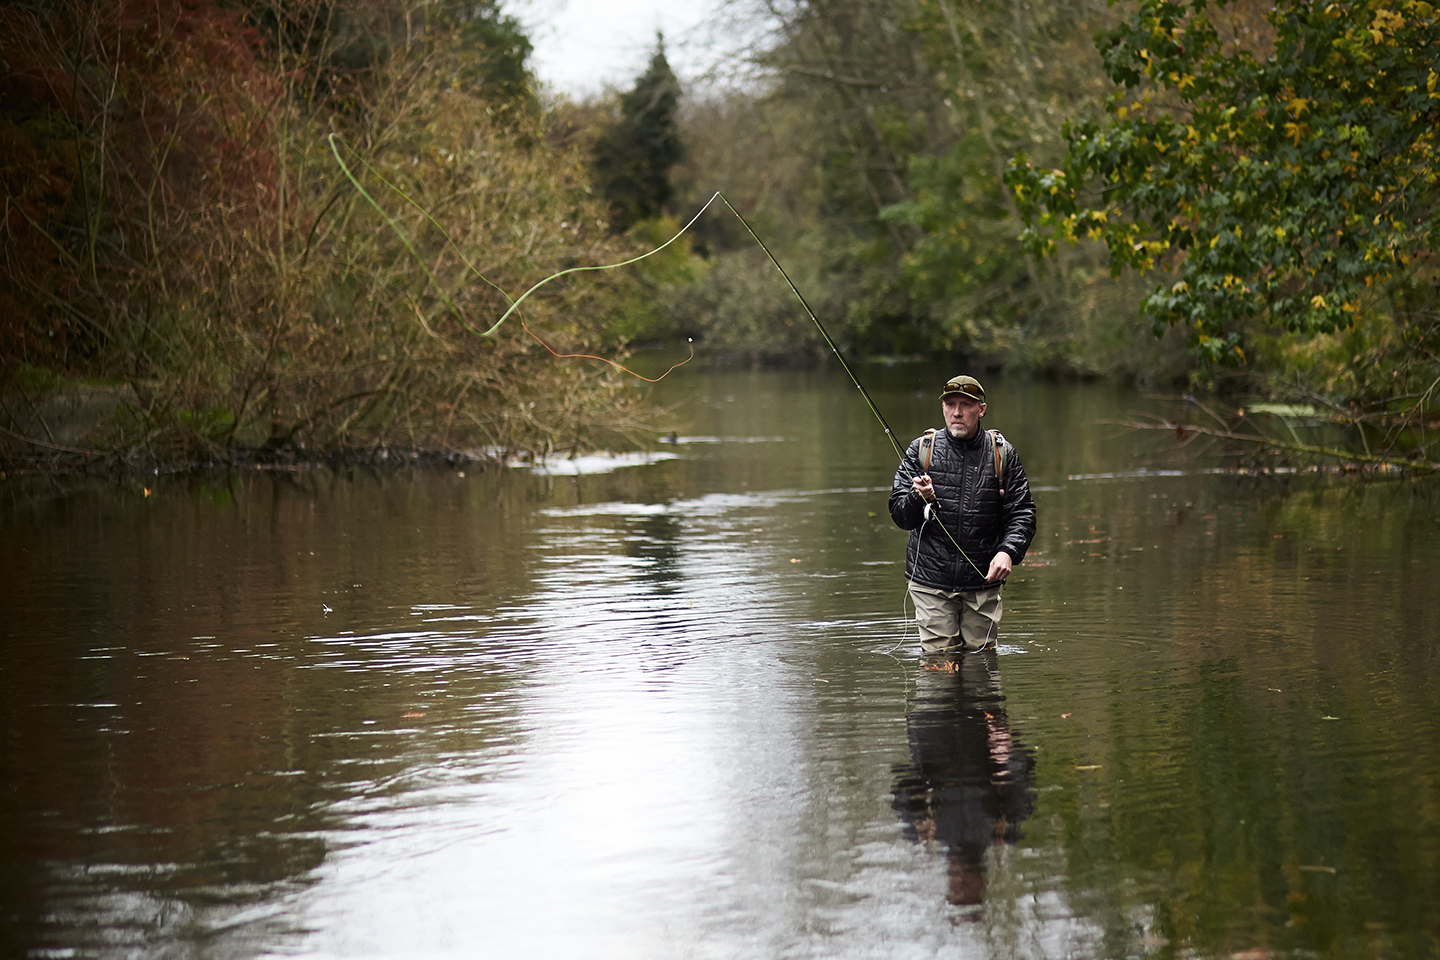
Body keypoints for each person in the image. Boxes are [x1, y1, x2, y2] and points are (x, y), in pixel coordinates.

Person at [888, 375, 1036, 653]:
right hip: (930, 581)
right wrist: (918, 498)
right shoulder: (922, 451)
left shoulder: (1002, 454)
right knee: (939, 670)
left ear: (981, 409)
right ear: (942, 407)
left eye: (965, 405)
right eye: (950, 404)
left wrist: (1008, 552)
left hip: (983, 581)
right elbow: (900, 514)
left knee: (981, 670)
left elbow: (1022, 512)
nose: (956, 412)